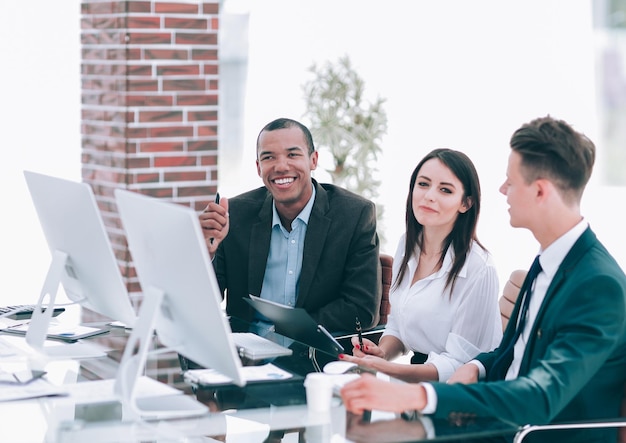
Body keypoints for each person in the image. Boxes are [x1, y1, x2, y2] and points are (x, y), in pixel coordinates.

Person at [340, 116, 626, 443]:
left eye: (510, 182)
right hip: (498, 422)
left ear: (540, 191)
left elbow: (541, 395)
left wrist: (420, 396)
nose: (503, 190)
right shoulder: (549, 261)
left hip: (531, 433)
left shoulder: (598, 285)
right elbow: (511, 353)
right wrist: (478, 366)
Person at [199, 117, 382, 337]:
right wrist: (207, 253)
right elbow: (204, 300)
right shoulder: (235, 214)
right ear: (258, 167)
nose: (281, 166)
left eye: (292, 154)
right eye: (269, 157)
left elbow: (362, 310)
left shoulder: (354, 215)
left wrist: (287, 330)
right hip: (246, 355)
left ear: (313, 160)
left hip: (314, 355)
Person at [339, 148, 502, 383]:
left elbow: (458, 364)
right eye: (423, 184)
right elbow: (398, 325)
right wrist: (381, 353)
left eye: (445, 190)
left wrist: (386, 370)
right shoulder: (407, 244)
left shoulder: (479, 268)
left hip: (457, 393)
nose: (429, 196)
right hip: (415, 379)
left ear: (466, 203)